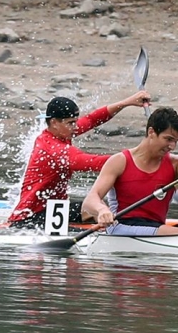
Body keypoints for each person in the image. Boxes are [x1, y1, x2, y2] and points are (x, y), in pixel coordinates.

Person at [9, 91, 152, 229]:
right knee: (95, 209)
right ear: (54, 122)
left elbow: (92, 119)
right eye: (71, 123)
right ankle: (122, 231)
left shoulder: (60, 132)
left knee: (95, 210)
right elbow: (93, 162)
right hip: (28, 219)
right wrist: (138, 157)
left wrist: (127, 102)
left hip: (52, 210)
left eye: (75, 122)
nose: (75, 127)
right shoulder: (53, 149)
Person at [82, 106, 178, 236]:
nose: (172, 146)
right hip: (122, 226)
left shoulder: (175, 163)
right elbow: (90, 200)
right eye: (169, 139)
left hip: (156, 227)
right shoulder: (120, 161)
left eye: (176, 141)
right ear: (151, 132)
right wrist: (102, 210)